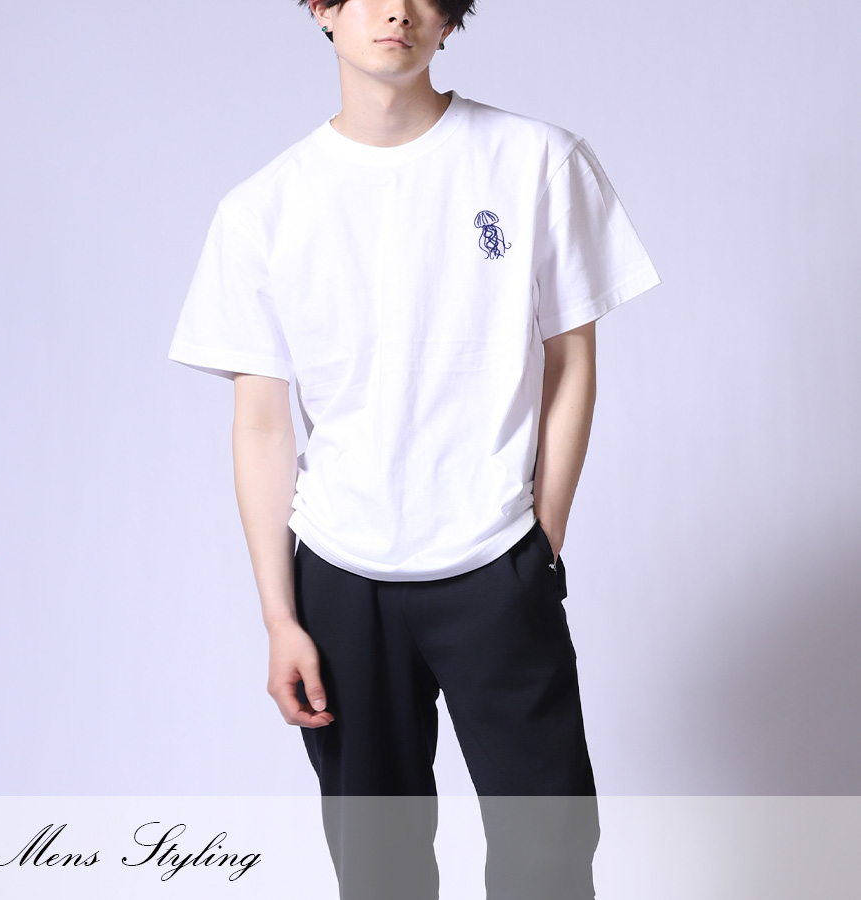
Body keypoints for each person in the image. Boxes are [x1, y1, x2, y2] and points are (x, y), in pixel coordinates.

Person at [168, 1, 661, 897]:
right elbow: (263, 422)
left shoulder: (536, 160)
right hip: (340, 576)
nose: (396, 9)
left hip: (496, 560)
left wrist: (540, 540)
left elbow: (572, 360)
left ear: (450, 18)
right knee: (378, 871)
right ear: (322, 9)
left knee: (549, 858)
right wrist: (280, 617)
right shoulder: (262, 209)